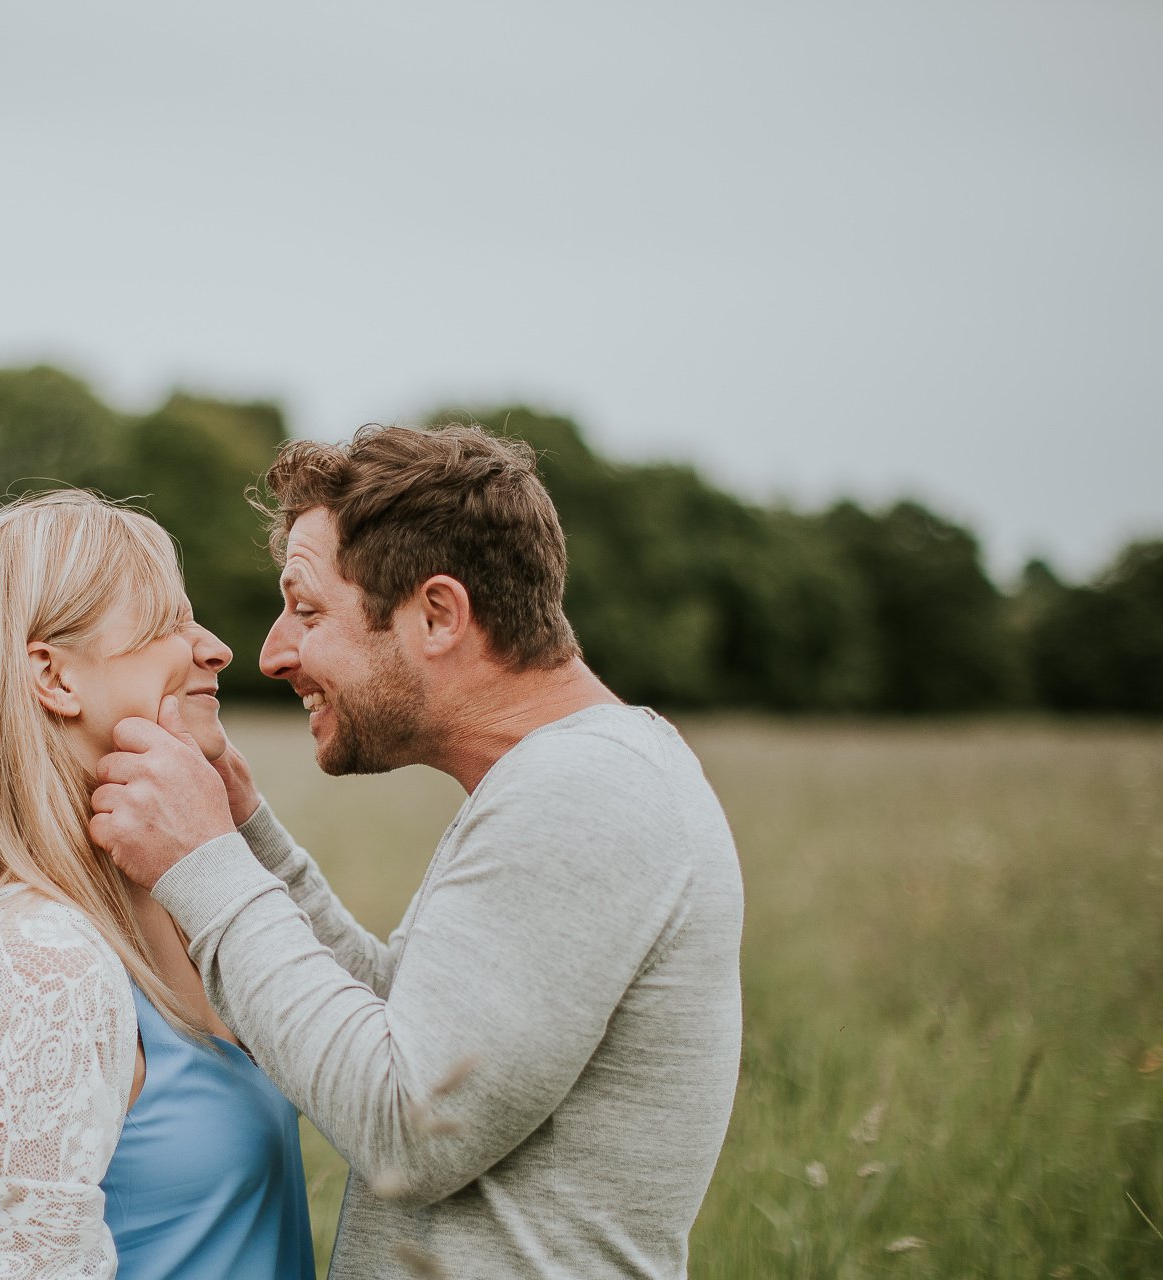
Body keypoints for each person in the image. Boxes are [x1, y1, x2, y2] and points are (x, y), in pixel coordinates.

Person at [91, 424, 746, 1279]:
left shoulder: (586, 795)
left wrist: (204, 865)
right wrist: (246, 831)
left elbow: (410, 1124)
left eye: (308, 608)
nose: (273, 652)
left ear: (436, 614)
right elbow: (416, 1035)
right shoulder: (562, 779)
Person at [0, 491, 316, 1280]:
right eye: (169, 624)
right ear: (54, 677)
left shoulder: (183, 903)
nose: (216, 649)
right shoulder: (43, 956)